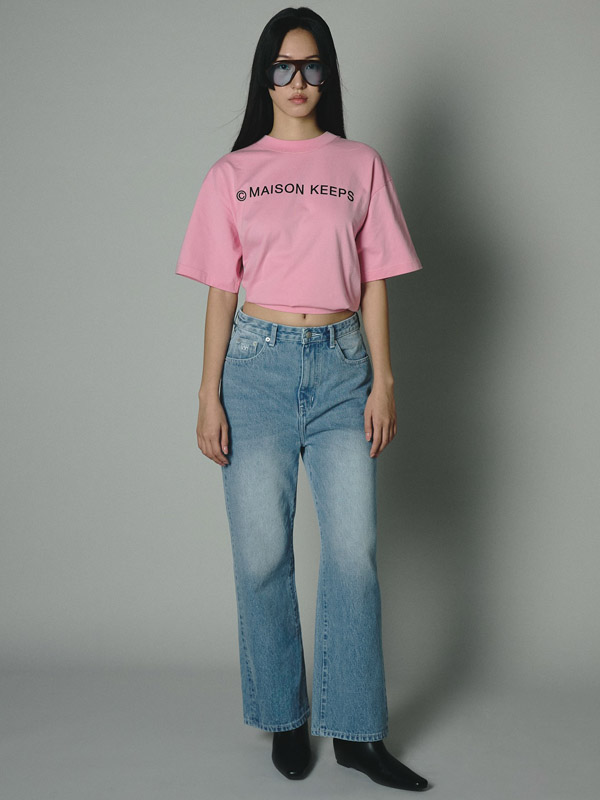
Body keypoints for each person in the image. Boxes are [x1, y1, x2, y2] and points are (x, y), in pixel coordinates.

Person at [175, 6, 429, 792]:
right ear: (265, 77)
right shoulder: (232, 173)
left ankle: (356, 734)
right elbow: (221, 292)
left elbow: (376, 279)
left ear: (327, 74)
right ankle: (285, 718)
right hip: (254, 368)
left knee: (353, 554)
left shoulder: (360, 164)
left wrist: (384, 380)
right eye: (283, 67)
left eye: (311, 65)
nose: (297, 81)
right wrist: (208, 392)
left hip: (343, 367)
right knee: (262, 555)